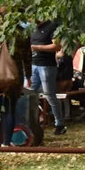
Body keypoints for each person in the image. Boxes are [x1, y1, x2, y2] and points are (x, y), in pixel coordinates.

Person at [29, 18, 66, 135]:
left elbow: (56, 46)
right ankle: (31, 122)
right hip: (34, 64)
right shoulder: (32, 28)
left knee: (49, 94)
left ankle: (59, 123)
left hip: (47, 65)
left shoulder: (52, 26)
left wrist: (37, 48)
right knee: (31, 94)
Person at [1, 16, 31, 147]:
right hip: (14, 76)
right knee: (10, 109)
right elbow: (27, 57)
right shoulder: (22, 34)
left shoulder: (2, 32)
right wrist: (28, 76)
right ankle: (7, 142)